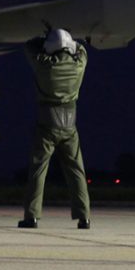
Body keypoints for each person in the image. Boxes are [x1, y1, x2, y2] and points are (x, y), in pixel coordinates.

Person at [18, 26, 90, 229]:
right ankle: (84, 217)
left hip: (47, 125)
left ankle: (31, 217)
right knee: (77, 172)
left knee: (38, 171)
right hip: (70, 126)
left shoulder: (44, 65)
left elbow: (29, 46)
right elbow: (82, 49)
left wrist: (44, 36)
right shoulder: (79, 65)